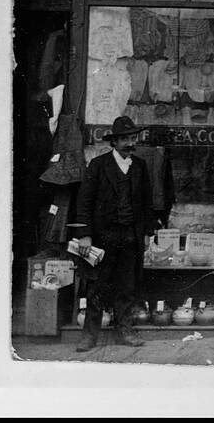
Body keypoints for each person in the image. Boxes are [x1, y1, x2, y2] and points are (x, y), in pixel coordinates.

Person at [71, 115, 154, 352]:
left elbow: (146, 202)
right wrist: (85, 234)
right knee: (97, 287)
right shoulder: (98, 166)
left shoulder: (139, 166)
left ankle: (125, 332)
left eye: (133, 138)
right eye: (125, 139)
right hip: (103, 237)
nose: (130, 143)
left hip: (130, 237)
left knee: (126, 287)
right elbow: (84, 201)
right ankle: (89, 336)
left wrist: (147, 233)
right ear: (114, 142)